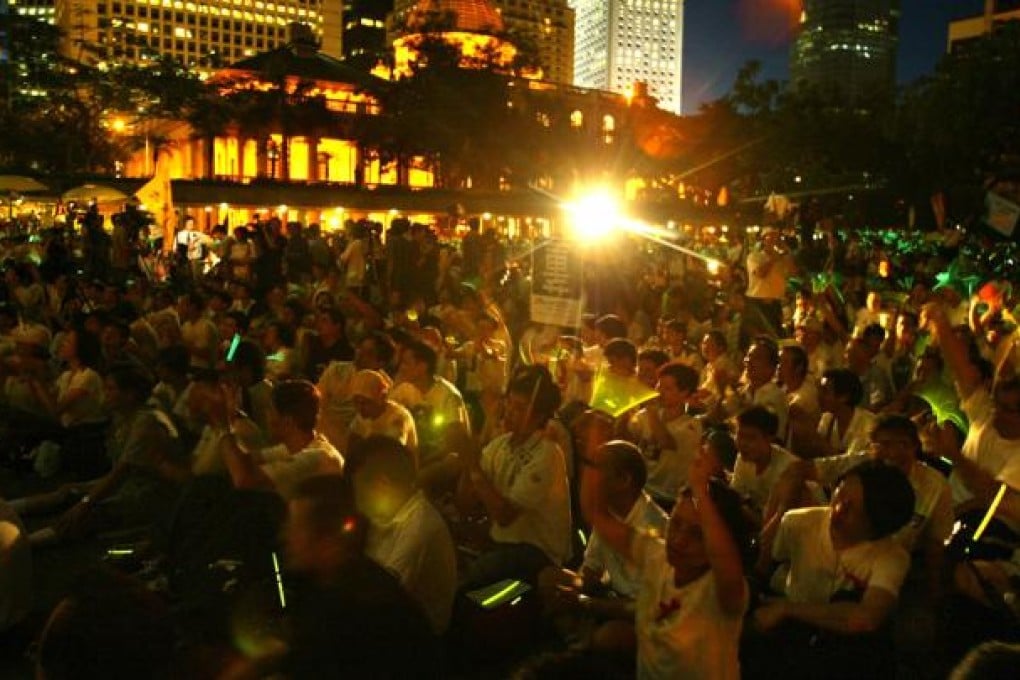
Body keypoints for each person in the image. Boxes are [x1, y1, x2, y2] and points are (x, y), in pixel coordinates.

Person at [581, 437, 751, 679]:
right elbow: (595, 513)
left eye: (697, 534)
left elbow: (725, 560)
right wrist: (592, 458)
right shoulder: (657, 555)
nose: (679, 540)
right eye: (677, 524)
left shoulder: (722, 592)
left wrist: (701, 492)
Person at [747, 460, 916, 679]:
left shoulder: (891, 557)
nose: (837, 510)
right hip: (791, 633)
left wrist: (789, 608)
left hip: (844, 649)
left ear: (878, 524)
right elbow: (772, 561)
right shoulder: (798, 523)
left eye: (852, 509)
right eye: (839, 496)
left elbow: (866, 618)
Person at [282, 474, 441, 678]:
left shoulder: (357, 612)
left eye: (296, 528)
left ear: (329, 542)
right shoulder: (334, 579)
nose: (286, 536)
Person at [540, 440, 668, 656]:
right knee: (549, 578)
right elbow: (591, 568)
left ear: (623, 480)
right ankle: (577, 642)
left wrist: (586, 603)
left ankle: (581, 646)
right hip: (610, 597)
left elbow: (642, 607)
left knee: (610, 637)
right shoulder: (607, 512)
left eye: (595, 468)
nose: (587, 475)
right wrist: (575, 590)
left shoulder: (653, 527)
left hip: (643, 613)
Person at [457, 366, 572, 587]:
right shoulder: (500, 445)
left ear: (538, 416)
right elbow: (465, 502)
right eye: (509, 403)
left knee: (472, 584)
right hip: (503, 543)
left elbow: (505, 516)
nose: (508, 411)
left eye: (519, 408)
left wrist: (473, 464)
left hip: (536, 552)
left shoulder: (546, 453)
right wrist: (466, 458)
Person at [348, 435, 457, 635]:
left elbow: (383, 600)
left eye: (358, 489)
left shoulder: (419, 527)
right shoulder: (386, 513)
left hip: (419, 640)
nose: (356, 500)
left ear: (382, 485)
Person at [221, 380, 343, 499]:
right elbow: (245, 460)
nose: (266, 416)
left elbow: (244, 480)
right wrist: (233, 413)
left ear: (288, 421)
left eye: (270, 410)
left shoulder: (316, 457)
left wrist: (222, 425)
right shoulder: (296, 447)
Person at [627, 362, 702, 508]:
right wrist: (626, 408)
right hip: (641, 490)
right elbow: (627, 438)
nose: (659, 392)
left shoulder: (692, 426)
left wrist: (650, 409)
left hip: (668, 498)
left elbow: (665, 442)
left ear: (684, 393)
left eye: (667, 388)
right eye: (659, 386)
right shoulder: (646, 415)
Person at [730, 406, 800, 523]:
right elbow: (736, 495)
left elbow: (780, 522)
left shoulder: (788, 468)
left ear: (769, 438)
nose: (743, 444)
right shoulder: (743, 459)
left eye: (751, 438)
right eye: (740, 436)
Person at [347, 369, 419, 467]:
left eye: (365, 403)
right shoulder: (361, 417)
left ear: (381, 398)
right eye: (356, 402)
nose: (360, 408)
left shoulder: (398, 417)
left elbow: (391, 451)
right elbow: (353, 443)